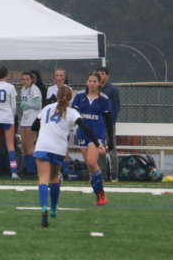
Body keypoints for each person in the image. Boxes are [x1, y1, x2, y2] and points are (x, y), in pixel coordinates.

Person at [32, 85, 100, 227]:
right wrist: (96, 142)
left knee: (43, 179)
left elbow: (34, 126)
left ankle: (44, 207)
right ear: (70, 99)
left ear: (57, 96)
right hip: (58, 148)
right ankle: (54, 209)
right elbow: (85, 127)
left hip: (43, 145)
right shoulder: (72, 112)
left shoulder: (46, 108)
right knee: (54, 178)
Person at [71, 72, 113, 206]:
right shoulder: (79, 97)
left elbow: (108, 121)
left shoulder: (104, 99)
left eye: (95, 81)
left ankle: (101, 194)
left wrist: (110, 140)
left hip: (97, 135)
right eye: (90, 81)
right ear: (87, 82)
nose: (92, 83)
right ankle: (99, 195)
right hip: (82, 134)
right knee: (90, 166)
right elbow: (74, 116)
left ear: (99, 83)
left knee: (91, 162)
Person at [96, 67, 120, 179]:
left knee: (112, 149)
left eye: (103, 73)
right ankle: (102, 174)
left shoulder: (112, 90)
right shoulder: (95, 88)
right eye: (99, 73)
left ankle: (114, 175)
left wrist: (111, 122)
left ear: (107, 76)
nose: (101, 75)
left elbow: (116, 107)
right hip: (98, 124)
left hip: (109, 123)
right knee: (99, 149)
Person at [19, 71, 42, 176]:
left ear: (31, 80)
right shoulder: (23, 89)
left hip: (32, 119)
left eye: (27, 79)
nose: (25, 81)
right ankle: (27, 167)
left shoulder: (34, 89)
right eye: (23, 79)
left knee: (30, 146)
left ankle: (32, 170)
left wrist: (27, 105)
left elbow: (38, 105)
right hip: (24, 119)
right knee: (24, 145)